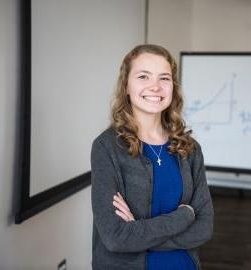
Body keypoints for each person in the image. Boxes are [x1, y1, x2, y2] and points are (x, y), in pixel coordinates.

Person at [90, 44, 214, 270]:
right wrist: (184, 216)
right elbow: (115, 237)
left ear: (172, 87)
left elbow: (204, 227)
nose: (155, 87)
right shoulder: (106, 147)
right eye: (143, 76)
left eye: (164, 78)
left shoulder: (189, 148)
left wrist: (138, 233)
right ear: (126, 85)